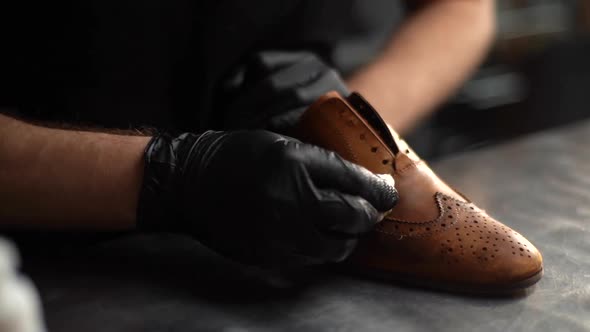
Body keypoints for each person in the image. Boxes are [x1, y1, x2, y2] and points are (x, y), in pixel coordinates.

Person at [0, 0, 496, 267]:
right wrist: (175, 178)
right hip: (67, 254)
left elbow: (461, 7)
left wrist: (341, 131)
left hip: (331, 227)